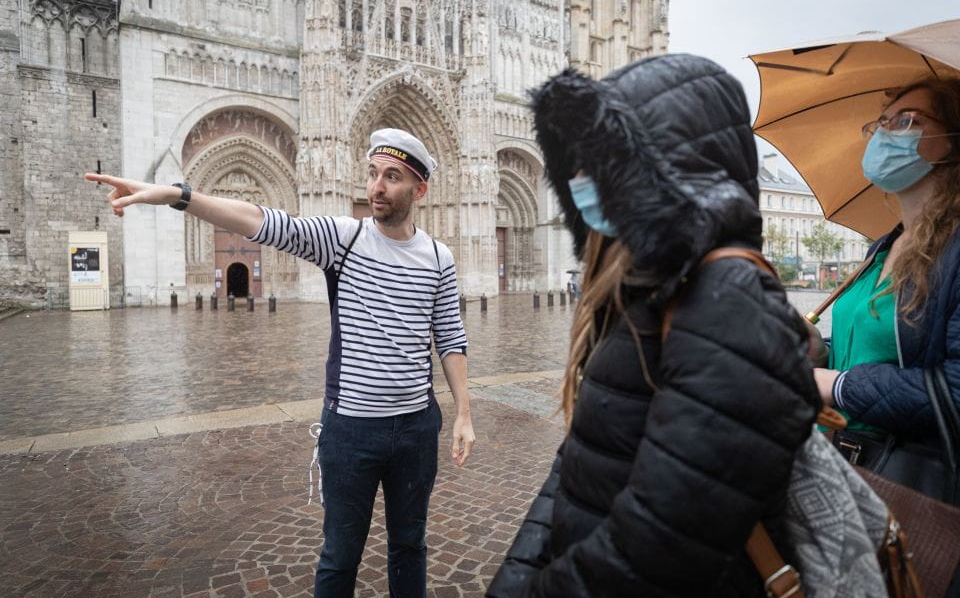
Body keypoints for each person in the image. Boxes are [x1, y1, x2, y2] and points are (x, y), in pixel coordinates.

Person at [85, 127, 476, 598]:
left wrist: (464, 414)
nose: (377, 186)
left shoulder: (438, 257)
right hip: (351, 430)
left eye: (392, 177)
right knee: (340, 554)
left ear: (420, 189)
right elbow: (264, 221)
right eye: (373, 174)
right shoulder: (343, 239)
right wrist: (176, 195)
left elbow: (449, 337)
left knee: (410, 545)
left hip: (416, 427)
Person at [486, 54, 820, 596]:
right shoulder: (641, 287)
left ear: (660, 166)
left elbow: (662, 544)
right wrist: (517, 577)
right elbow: (578, 468)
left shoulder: (724, 300)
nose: (578, 179)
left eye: (602, 159)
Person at [811, 78, 960, 478]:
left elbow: (955, 393)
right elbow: (876, 351)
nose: (883, 134)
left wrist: (834, 384)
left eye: (906, 121)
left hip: (910, 476)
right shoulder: (884, 246)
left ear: (953, 138)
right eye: (881, 124)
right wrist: (819, 351)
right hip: (844, 461)